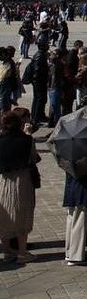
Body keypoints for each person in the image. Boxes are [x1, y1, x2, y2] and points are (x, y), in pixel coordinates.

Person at [0, 107, 39, 263]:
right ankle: (22, 253)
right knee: (22, 214)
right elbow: (33, 159)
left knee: (4, 216)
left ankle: (7, 252)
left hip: (3, 180)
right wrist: (29, 135)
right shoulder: (27, 140)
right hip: (22, 179)